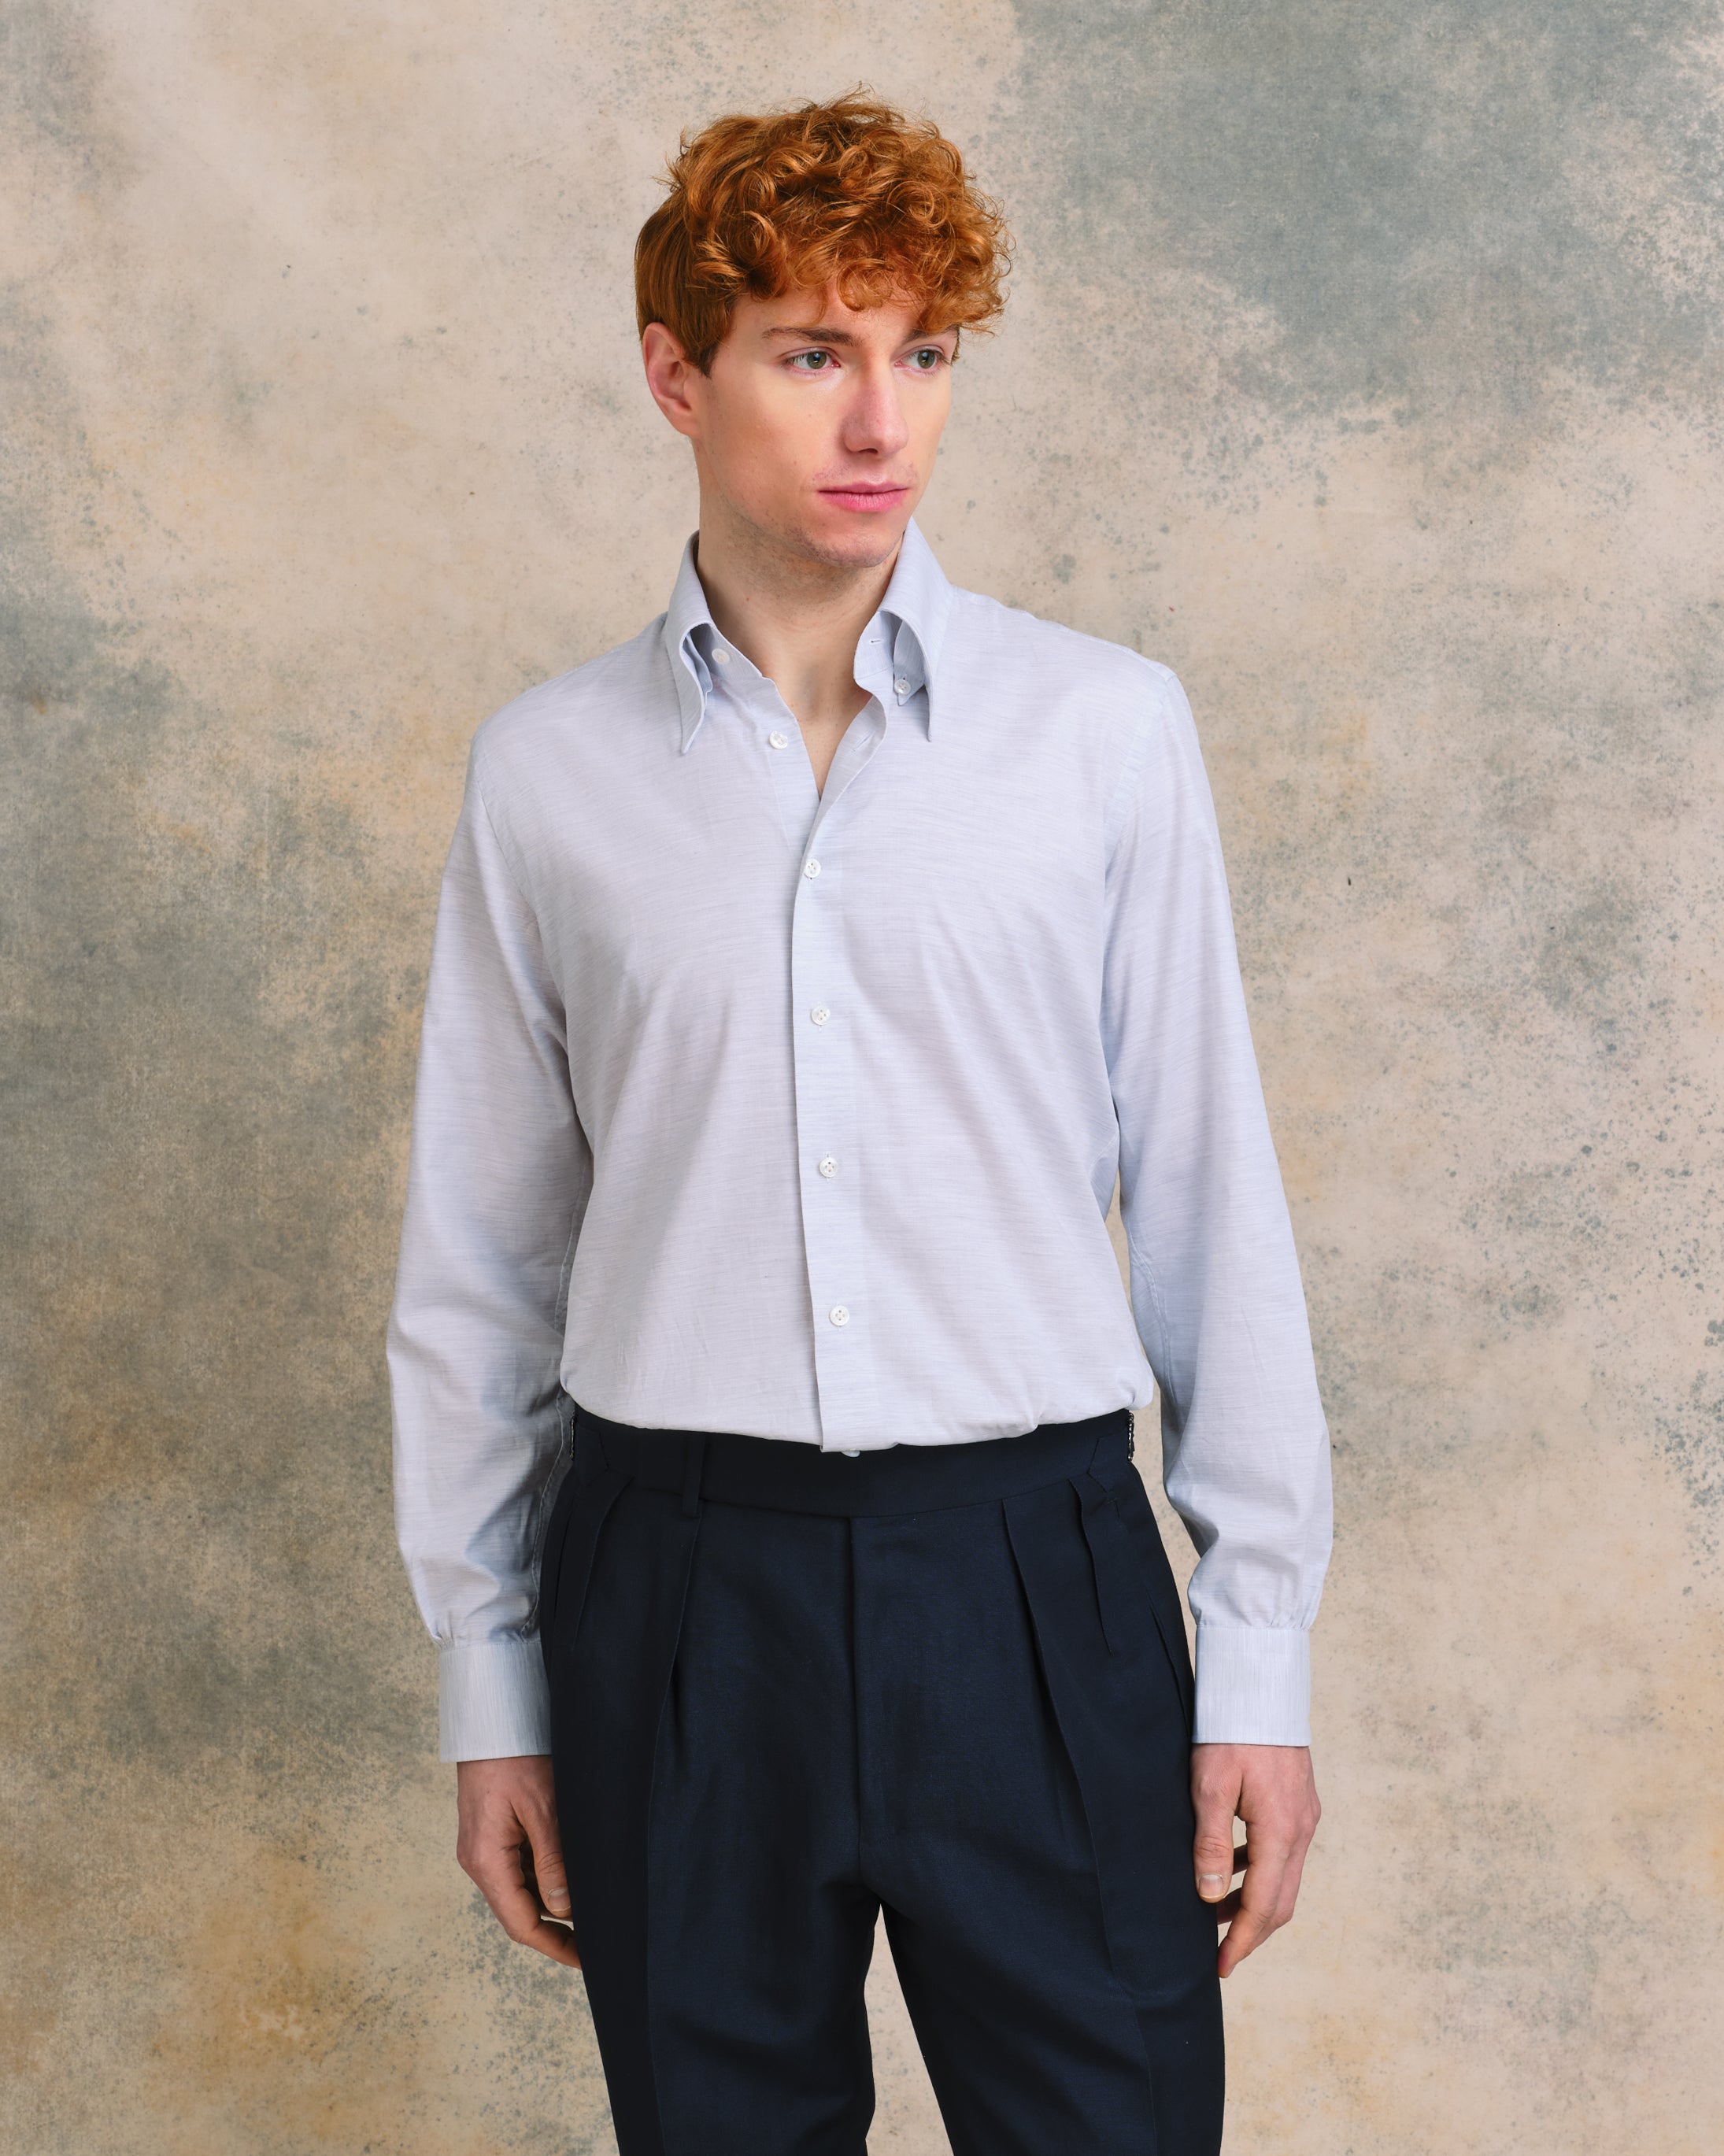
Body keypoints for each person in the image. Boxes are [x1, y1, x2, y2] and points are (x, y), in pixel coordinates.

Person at [387, 91, 1331, 2156]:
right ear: (679, 376)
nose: (883, 418)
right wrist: (498, 1688)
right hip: (676, 1594)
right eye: (815, 352)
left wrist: (1257, 1655)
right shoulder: (548, 774)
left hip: (1035, 1580)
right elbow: (481, 1268)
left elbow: (1209, 1205)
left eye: (924, 352)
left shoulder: (1102, 734)